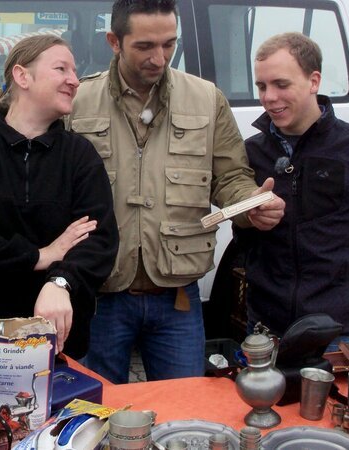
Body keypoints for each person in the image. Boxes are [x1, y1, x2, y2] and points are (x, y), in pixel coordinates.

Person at [68, 0, 285, 384]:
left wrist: (250, 205)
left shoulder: (206, 99)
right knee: (94, 416)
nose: (159, 57)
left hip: (178, 300)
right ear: (114, 41)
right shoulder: (78, 103)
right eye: (145, 46)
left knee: (185, 418)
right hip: (100, 294)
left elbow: (230, 176)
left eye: (169, 44)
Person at [0, 35, 119, 392]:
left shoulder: (80, 156)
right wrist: (40, 255)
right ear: (22, 76)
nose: (74, 80)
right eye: (61, 68)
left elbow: (98, 240)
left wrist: (60, 282)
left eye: (75, 72)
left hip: (58, 350)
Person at [236, 32, 349, 348]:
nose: (269, 97)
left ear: (314, 81)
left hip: (340, 333)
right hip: (267, 329)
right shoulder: (251, 154)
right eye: (262, 86)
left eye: (281, 84)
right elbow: (244, 238)